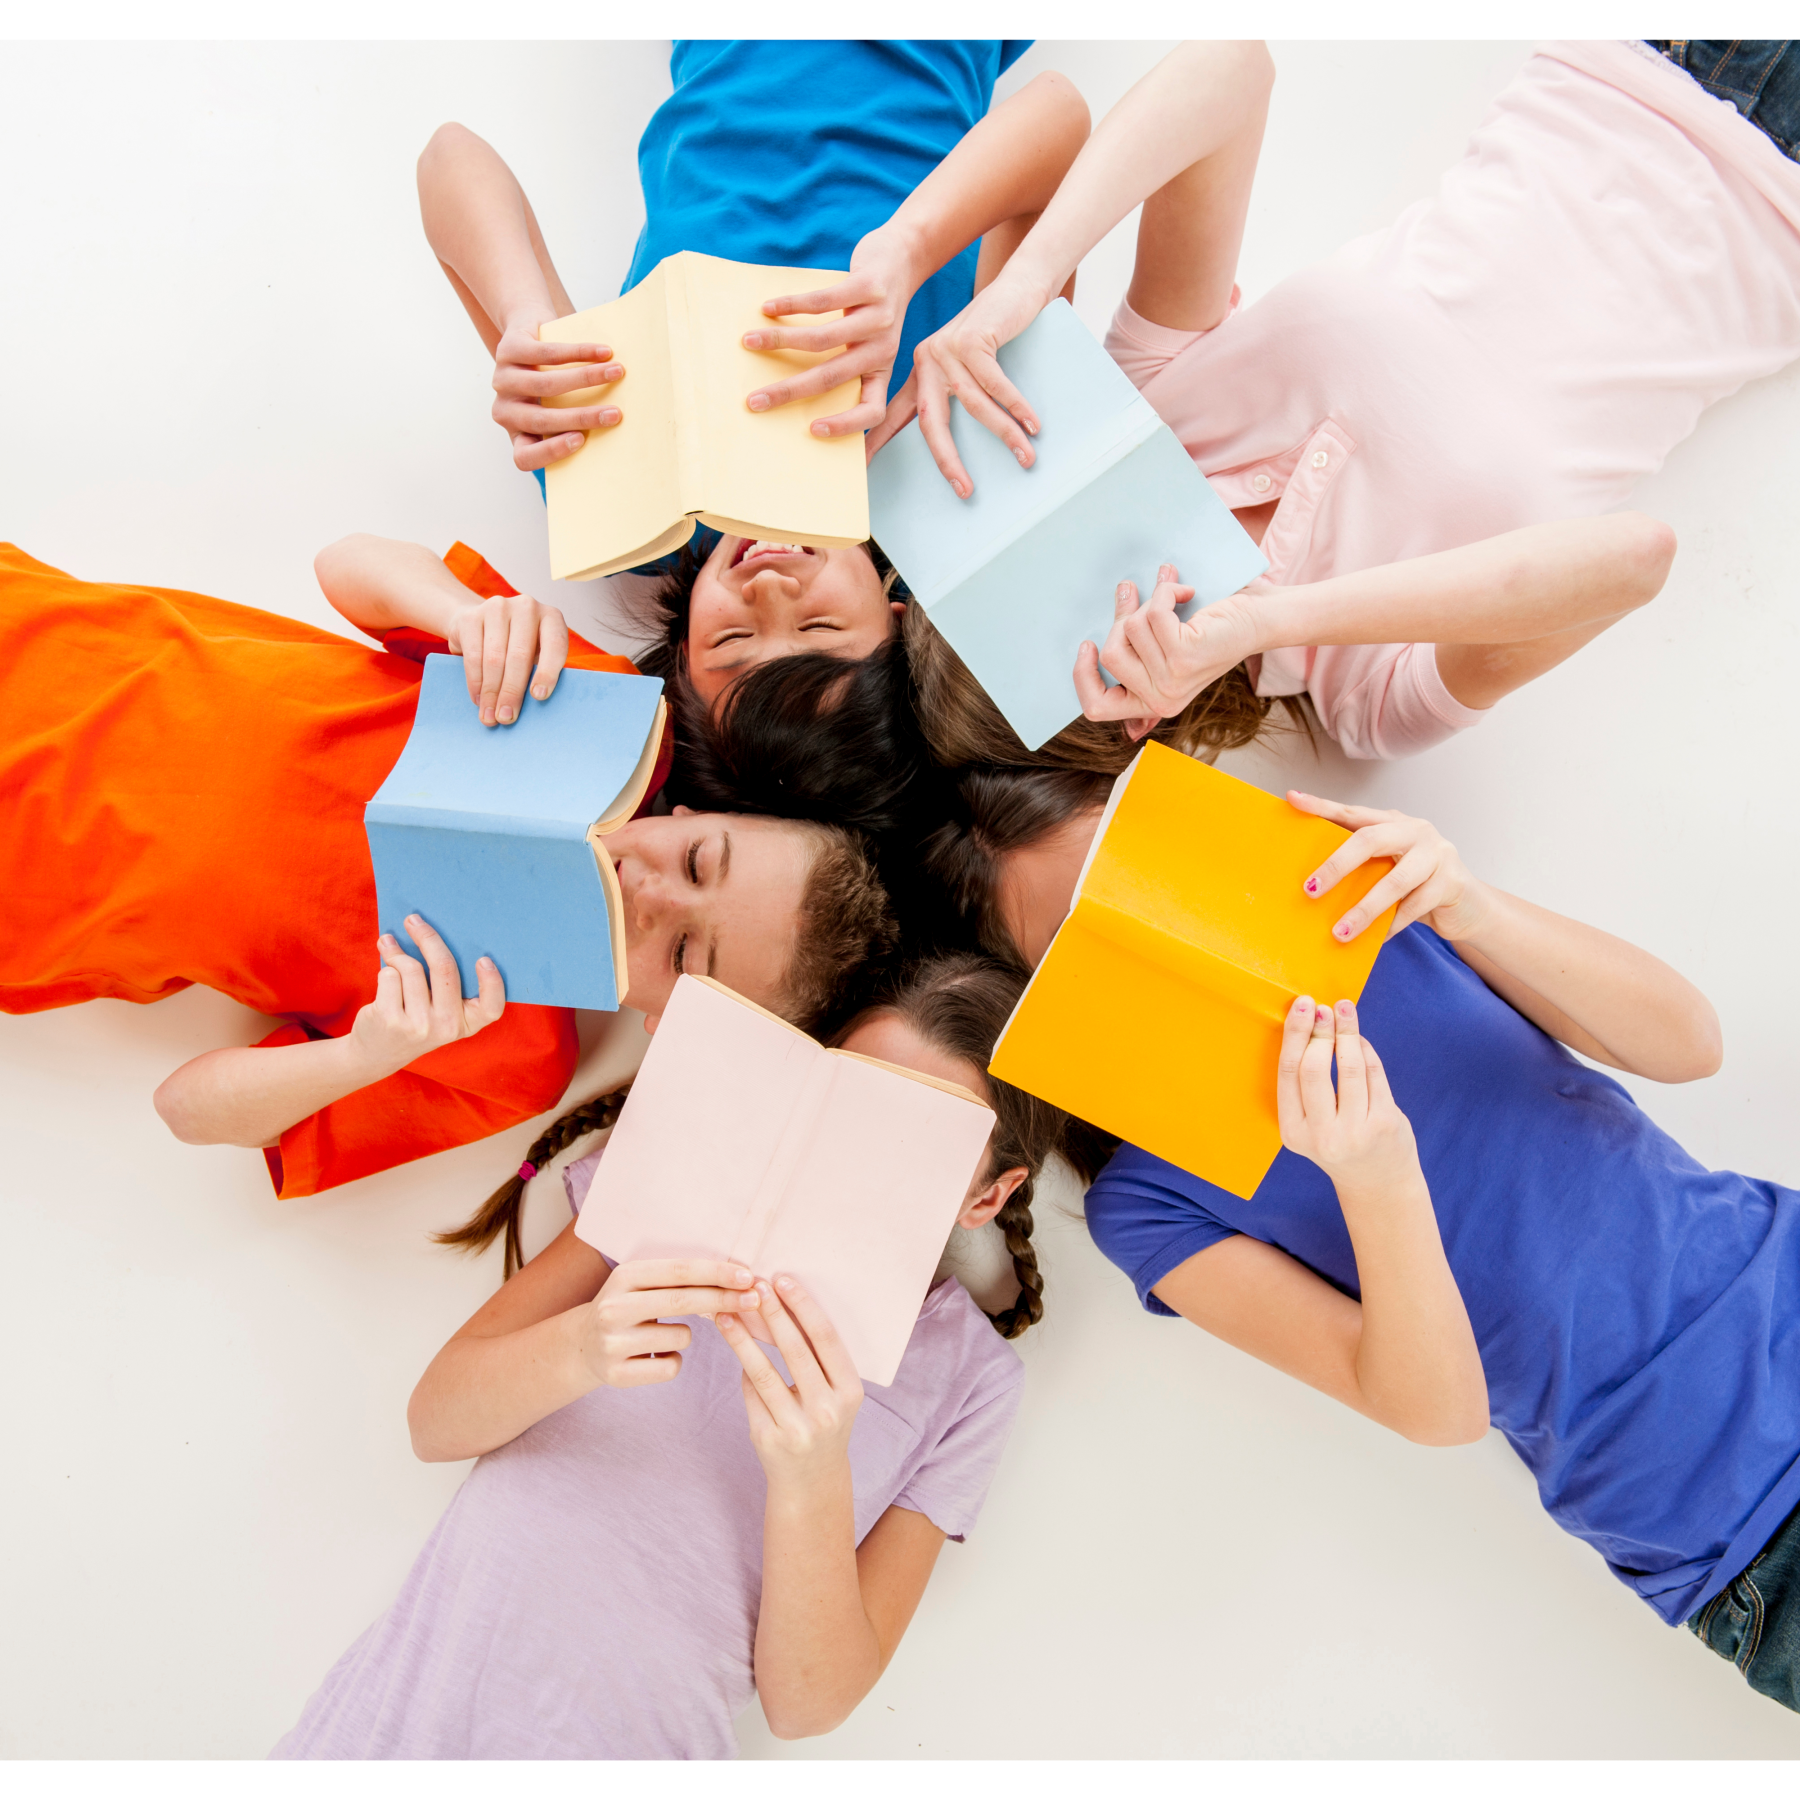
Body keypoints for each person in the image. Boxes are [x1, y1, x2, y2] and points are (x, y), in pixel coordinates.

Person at [929, 763, 1800, 1714]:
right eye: (1086, 943)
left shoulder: (1367, 917)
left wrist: (1465, 902)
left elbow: (1689, 1044)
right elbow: (1438, 1411)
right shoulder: (1147, 1204)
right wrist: (1376, 1177)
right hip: (1733, 1511)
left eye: (1135, 871)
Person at [270, 955, 1106, 1759]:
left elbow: (809, 1706)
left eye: (914, 1141)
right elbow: (434, 1420)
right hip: (393, 1738)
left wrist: (812, 1478)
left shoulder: (969, 1380)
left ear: (986, 1195)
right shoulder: (667, 1187)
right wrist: (581, 1349)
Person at [882, 39, 1800, 763]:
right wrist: (1263, 620)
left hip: (1620, 64)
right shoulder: (1364, 691)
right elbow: (1637, 557)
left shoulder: (1152, 411)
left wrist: (1026, 281)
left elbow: (1233, 66)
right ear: (1136, 722)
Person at [0, 537, 896, 1198]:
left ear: (666, 1026)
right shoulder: (605, 717)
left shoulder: (505, 1056)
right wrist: (465, 616)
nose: (650, 893)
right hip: (47, 637)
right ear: (704, 812)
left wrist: (365, 1054)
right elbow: (344, 568)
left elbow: (188, 1111)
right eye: (699, 861)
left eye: (686, 954)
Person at [413, 55, 1089, 838]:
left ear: (683, 645)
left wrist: (526, 323)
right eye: (822, 632)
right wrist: (906, 252)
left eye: (732, 639)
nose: (770, 590)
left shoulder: (635, 504)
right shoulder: (949, 461)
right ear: (899, 623)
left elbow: (448, 159)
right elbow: (1060, 119)